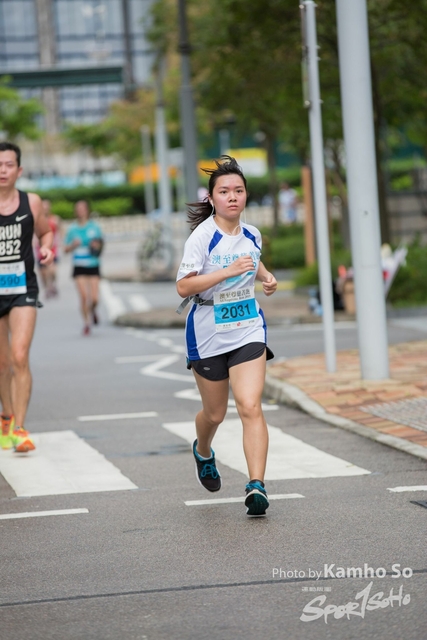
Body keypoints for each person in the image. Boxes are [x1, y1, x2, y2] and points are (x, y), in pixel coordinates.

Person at [176, 156, 277, 517]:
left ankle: (256, 485)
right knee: (215, 414)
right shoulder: (202, 237)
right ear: (212, 198)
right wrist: (226, 272)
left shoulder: (252, 234)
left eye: (238, 190)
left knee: (250, 405)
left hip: (247, 326)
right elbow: (183, 286)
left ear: (246, 195)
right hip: (207, 331)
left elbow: (252, 258)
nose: (232, 197)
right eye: (224, 191)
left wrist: (266, 277)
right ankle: (203, 451)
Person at [0, 141, 54, 453]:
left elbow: (45, 232)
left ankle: (20, 428)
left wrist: (46, 248)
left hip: (23, 289)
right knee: (2, 362)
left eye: (8, 165)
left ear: (19, 170)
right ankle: (6, 416)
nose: (3, 170)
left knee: (19, 356)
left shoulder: (30, 202)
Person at [64, 200, 103, 336]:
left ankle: (93, 311)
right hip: (79, 265)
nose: (80, 211)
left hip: (93, 264)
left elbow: (101, 244)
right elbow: (65, 249)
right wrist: (73, 245)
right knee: (84, 297)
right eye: (78, 209)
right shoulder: (72, 229)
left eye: (82, 208)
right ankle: (87, 323)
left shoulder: (94, 227)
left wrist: (95, 245)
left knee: (94, 299)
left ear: (87, 210)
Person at [36, 199, 61, 298]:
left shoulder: (55, 219)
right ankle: (46, 287)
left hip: (52, 249)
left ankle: (53, 284)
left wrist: (60, 242)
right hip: (40, 250)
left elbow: (60, 232)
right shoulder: (37, 220)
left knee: (52, 270)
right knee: (43, 273)